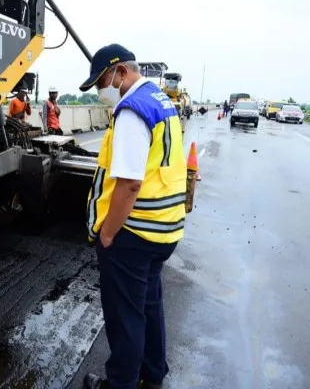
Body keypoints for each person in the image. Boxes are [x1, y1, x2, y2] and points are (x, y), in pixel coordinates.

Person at [78, 44, 187, 389]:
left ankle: (119, 384)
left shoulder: (131, 111)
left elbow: (129, 184)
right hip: (164, 230)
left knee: (125, 316)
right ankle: (153, 375)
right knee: (149, 306)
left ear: (121, 72)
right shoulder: (160, 100)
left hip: (133, 233)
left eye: (102, 82)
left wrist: (108, 234)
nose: (101, 92)